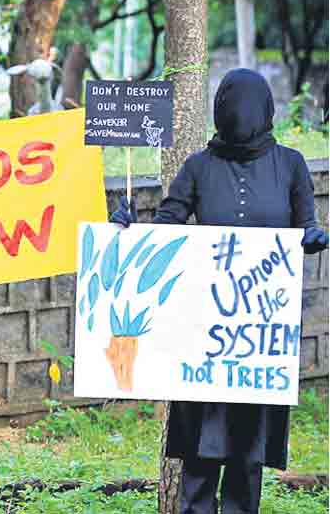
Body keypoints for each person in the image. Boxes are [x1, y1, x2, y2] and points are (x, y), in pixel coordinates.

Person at [111, 69, 328, 514]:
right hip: (203, 337)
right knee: (200, 450)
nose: (240, 115)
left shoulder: (290, 165)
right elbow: (167, 228)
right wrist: (127, 229)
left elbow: (307, 222)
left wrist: (312, 235)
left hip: (258, 338)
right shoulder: (198, 166)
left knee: (248, 454)